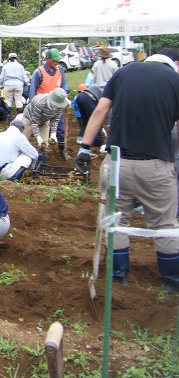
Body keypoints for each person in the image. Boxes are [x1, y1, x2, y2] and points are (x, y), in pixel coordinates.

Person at [76, 52, 179, 293]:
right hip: (155, 164)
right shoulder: (174, 81)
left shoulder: (123, 72)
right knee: (164, 223)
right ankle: (172, 282)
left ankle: (118, 275)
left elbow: (100, 111)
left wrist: (84, 147)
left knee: (117, 219)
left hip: (117, 164)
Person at [30, 48, 69, 158]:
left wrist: (65, 96)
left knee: (60, 126)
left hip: (57, 105)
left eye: (57, 61)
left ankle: (62, 149)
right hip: (43, 107)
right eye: (54, 60)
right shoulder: (39, 72)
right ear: (47, 59)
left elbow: (64, 86)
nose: (56, 63)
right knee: (40, 128)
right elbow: (32, 92)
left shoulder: (60, 70)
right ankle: (41, 150)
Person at [0, 117, 39, 181]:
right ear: (21, 130)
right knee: (27, 157)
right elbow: (34, 154)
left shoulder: (1, 134)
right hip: (1, 172)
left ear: (10, 125)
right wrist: (31, 168)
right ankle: (12, 181)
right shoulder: (19, 136)